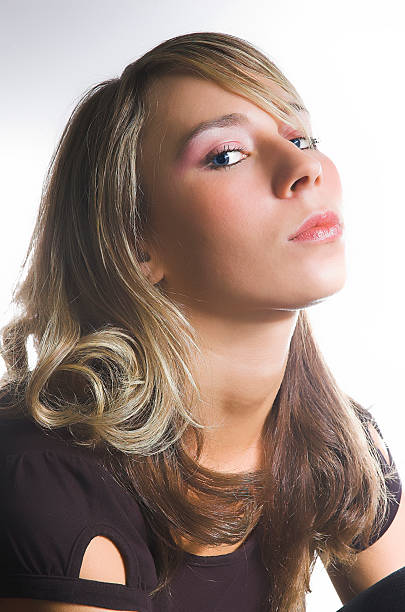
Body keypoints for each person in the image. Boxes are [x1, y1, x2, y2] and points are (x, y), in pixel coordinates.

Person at [0, 31, 403, 612]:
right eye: (226, 155)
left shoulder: (339, 446)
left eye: (303, 136)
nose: (303, 167)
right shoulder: (48, 481)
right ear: (136, 242)